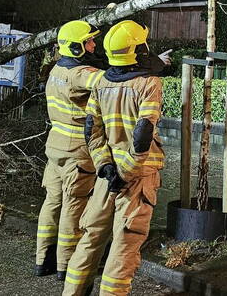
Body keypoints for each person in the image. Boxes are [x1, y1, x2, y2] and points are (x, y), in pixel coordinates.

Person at [62, 20, 168, 296]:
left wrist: (105, 166)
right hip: (136, 178)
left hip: (106, 179)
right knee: (124, 245)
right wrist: (126, 173)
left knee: (90, 238)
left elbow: (91, 130)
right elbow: (143, 134)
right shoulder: (149, 83)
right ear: (137, 49)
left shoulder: (103, 82)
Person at [35, 21, 104, 279]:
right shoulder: (79, 74)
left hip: (55, 148)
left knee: (52, 202)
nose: (94, 45)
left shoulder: (55, 70)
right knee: (73, 205)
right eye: (89, 41)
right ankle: (67, 265)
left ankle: (43, 260)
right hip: (78, 151)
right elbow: (109, 82)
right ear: (77, 47)